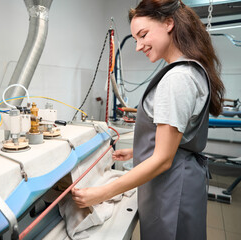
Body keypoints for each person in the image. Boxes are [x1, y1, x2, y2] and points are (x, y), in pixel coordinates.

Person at [71, 0, 225, 239]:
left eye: (143, 35)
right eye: (135, 39)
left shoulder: (177, 79)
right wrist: (137, 152)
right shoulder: (189, 70)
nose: (138, 46)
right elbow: (176, 140)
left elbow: (163, 159)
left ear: (169, 23)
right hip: (179, 179)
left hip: (173, 186)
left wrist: (101, 193)